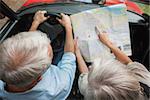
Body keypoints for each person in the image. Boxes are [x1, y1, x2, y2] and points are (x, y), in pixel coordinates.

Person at [0, 10, 76, 100]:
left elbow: (24, 48)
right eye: (50, 56)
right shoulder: (58, 86)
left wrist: (35, 23)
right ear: (39, 78)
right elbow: (69, 58)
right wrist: (68, 27)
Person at [75, 26, 150, 100]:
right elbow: (128, 62)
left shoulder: (92, 90)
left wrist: (77, 53)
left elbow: (84, 75)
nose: (89, 67)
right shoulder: (145, 80)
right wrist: (108, 43)